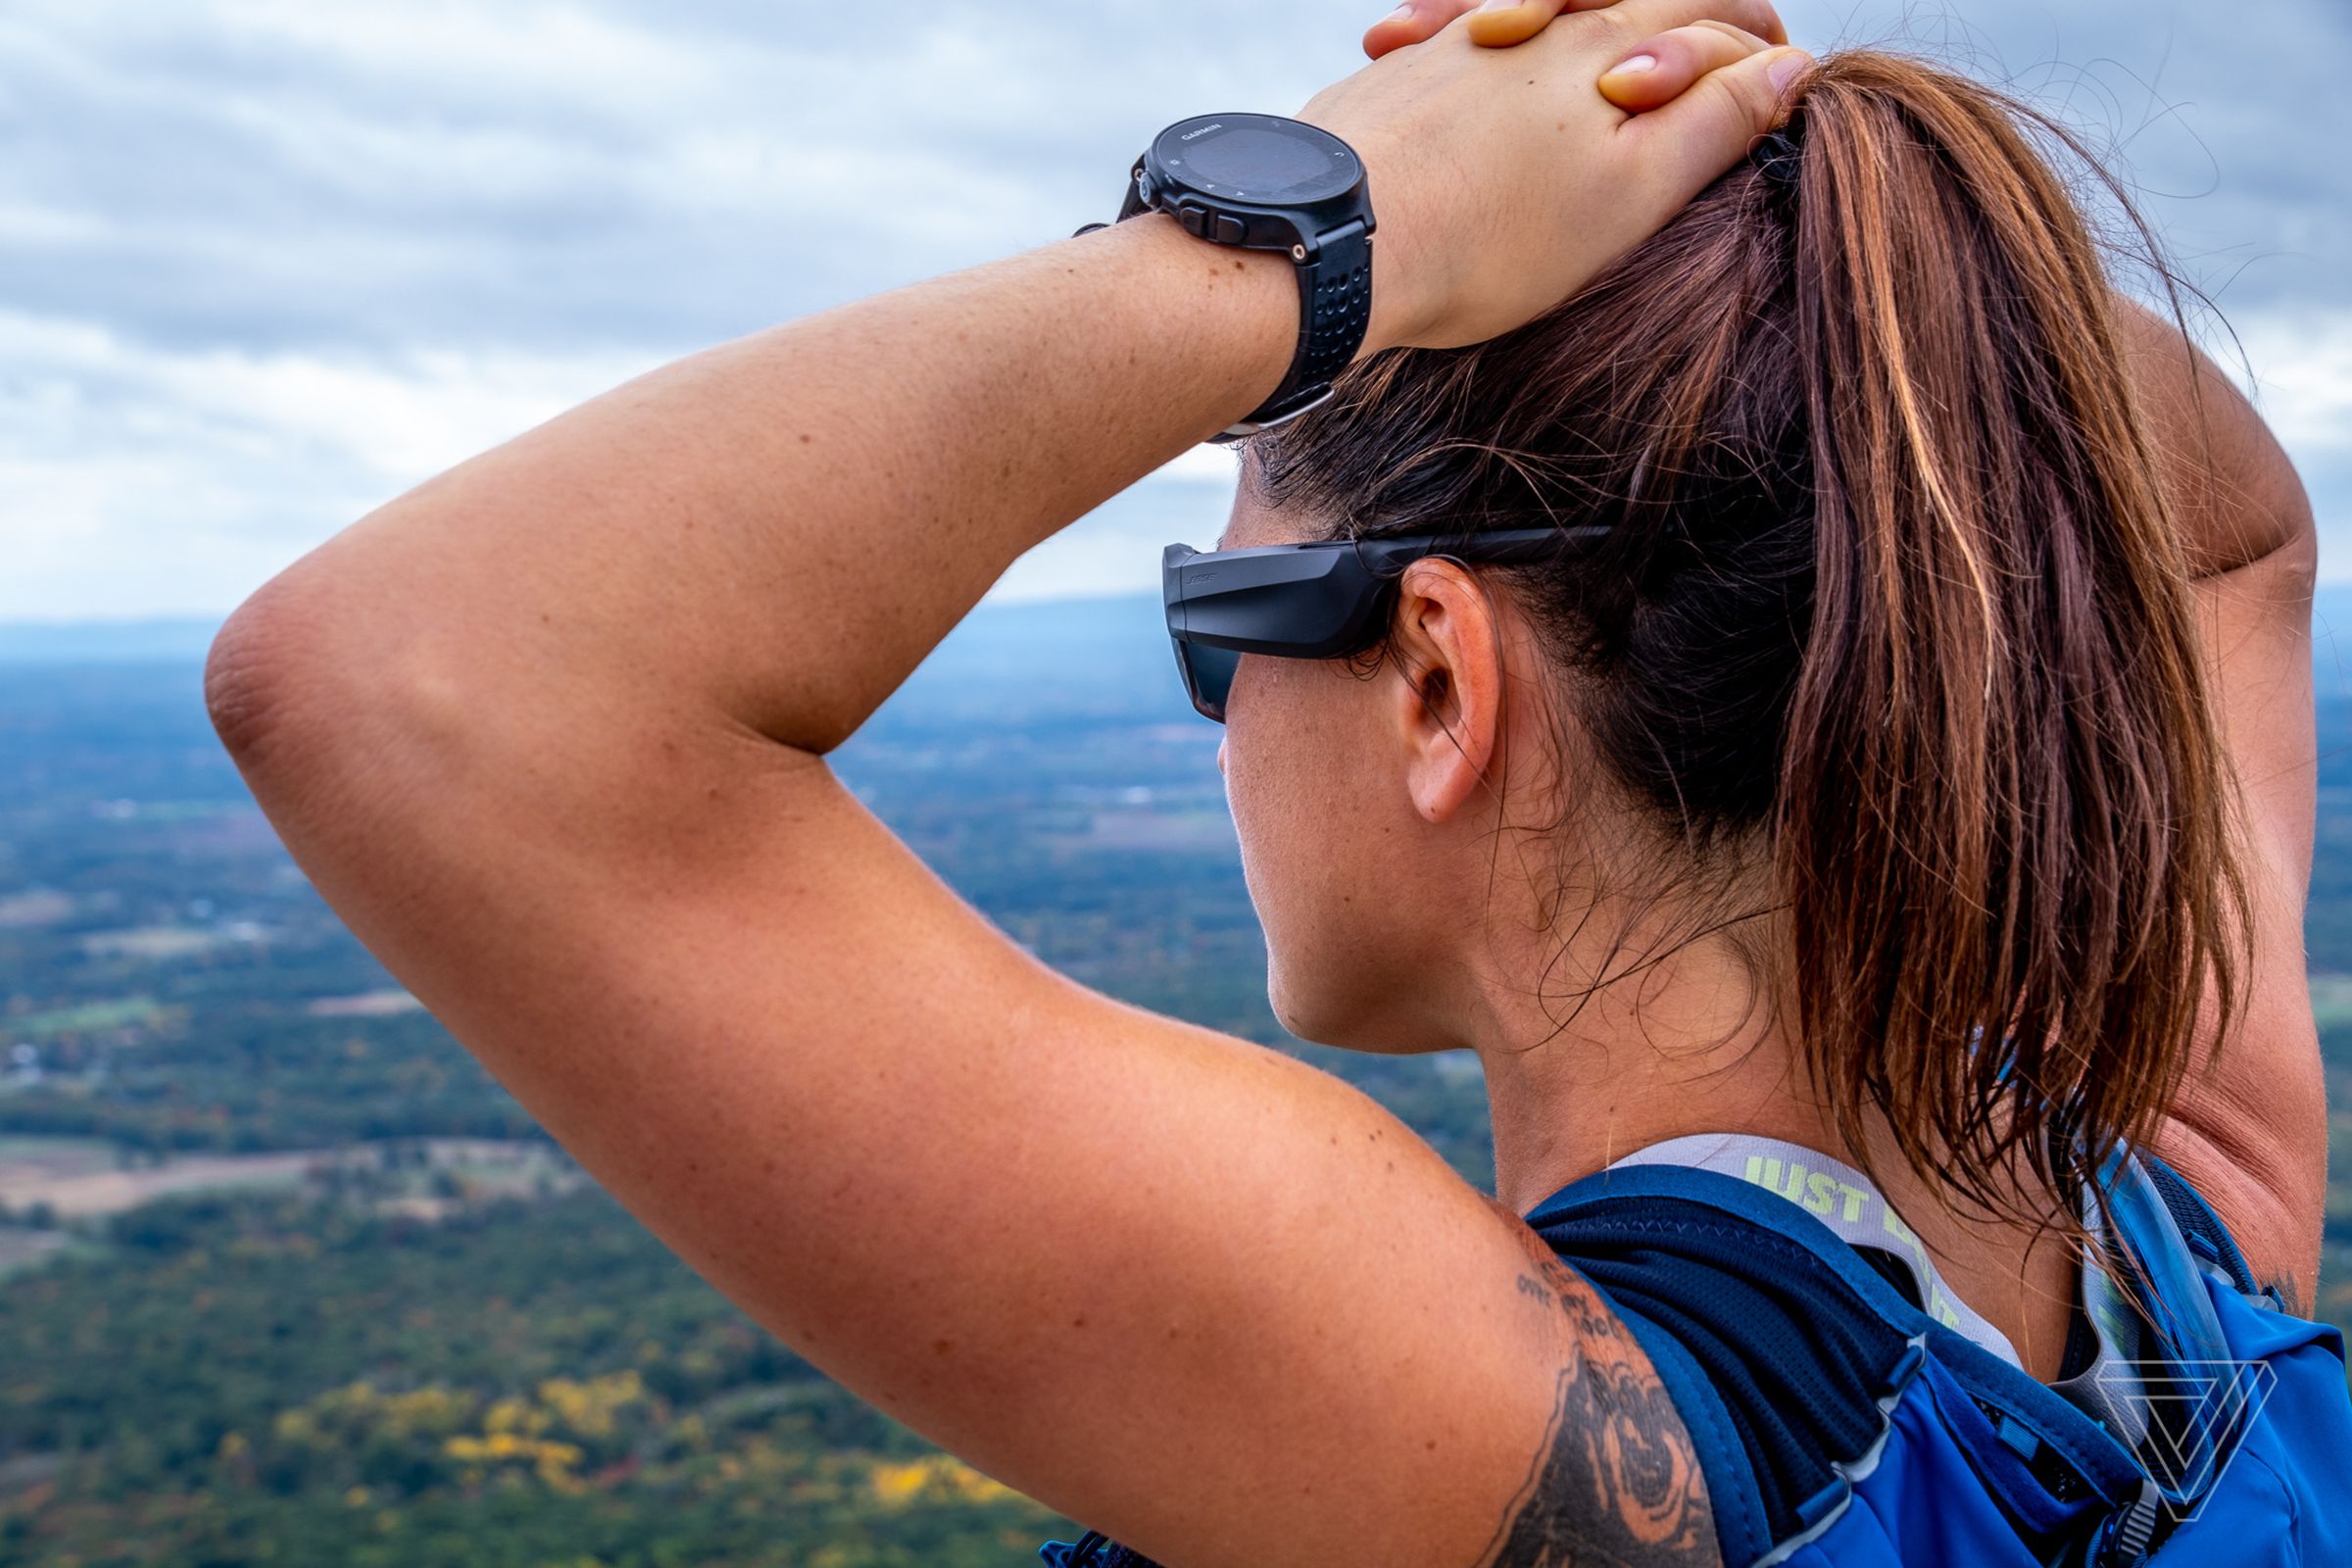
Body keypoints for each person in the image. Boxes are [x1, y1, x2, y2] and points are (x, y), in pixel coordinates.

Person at [203, 0, 2349, 1563]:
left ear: (1434, 679)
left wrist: (1314, 239)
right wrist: (1794, 207)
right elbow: (2240, 543)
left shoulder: (1526, 1446)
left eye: (1214, 625)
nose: (1217, 725)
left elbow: (418, 679)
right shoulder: (2184, 1217)